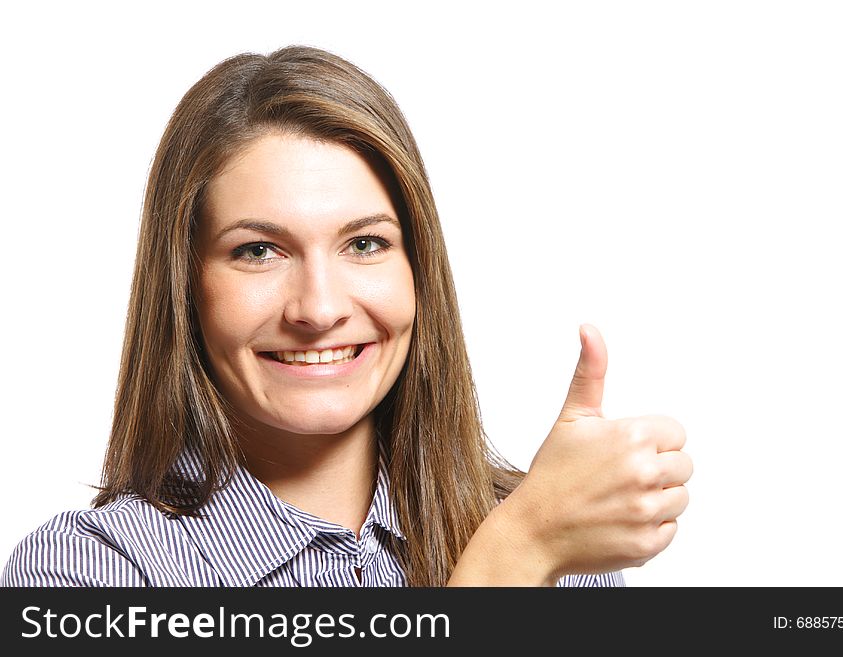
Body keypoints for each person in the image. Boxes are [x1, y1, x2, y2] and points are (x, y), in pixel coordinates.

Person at [1, 45, 692, 587]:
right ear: (186, 288)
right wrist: (516, 554)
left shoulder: (564, 538)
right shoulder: (91, 572)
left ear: (418, 271)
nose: (321, 308)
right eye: (259, 250)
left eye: (365, 243)